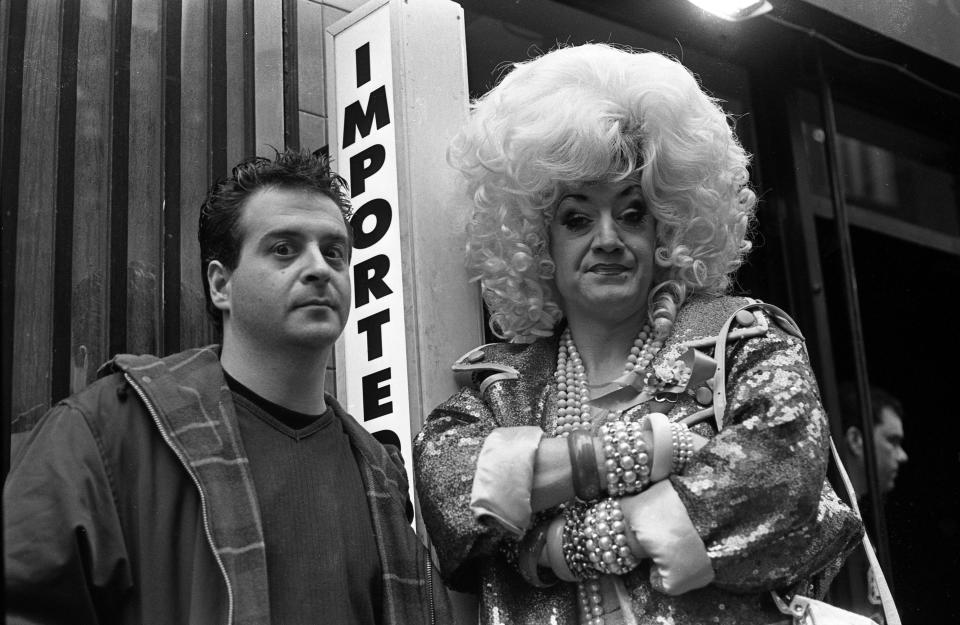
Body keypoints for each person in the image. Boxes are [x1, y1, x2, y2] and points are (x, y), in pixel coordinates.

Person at [414, 44, 862, 624]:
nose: (606, 238)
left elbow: (781, 478)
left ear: (667, 229)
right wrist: (636, 452)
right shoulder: (504, 386)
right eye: (577, 218)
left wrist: (570, 541)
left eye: (631, 214)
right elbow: (453, 489)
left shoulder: (741, 341)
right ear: (536, 243)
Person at [4, 149, 449, 625]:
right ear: (221, 284)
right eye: (284, 248)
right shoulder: (107, 431)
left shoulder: (379, 474)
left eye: (334, 251)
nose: (319, 267)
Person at [835, 383, 908, 622]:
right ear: (856, 439)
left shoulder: (854, 522)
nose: (902, 456)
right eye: (892, 441)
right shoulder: (834, 526)